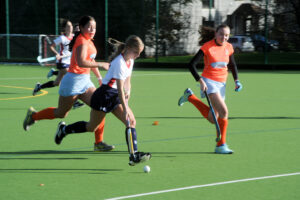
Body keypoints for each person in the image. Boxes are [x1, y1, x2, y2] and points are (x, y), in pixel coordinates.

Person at [54, 35, 151, 166]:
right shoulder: (119, 63)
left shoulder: (130, 61)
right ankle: (64, 130)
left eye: (139, 53)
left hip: (115, 96)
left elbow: (128, 83)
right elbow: (120, 88)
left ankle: (133, 155)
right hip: (104, 96)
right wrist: (125, 106)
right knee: (91, 127)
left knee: (131, 121)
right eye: (136, 52)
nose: (138, 55)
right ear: (128, 48)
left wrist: (129, 95)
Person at [23, 15, 114, 152]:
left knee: (100, 107)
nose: (92, 29)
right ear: (82, 28)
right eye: (89, 27)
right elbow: (81, 62)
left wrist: (99, 77)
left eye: (94, 27)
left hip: (85, 81)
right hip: (72, 82)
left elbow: (90, 62)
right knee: (61, 113)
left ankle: (98, 142)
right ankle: (33, 116)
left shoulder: (89, 41)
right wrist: (102, 64)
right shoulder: (82, 41)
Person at [178, 24, 243, 154]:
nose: (224, 37)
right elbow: (191, 64)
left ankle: (190, 97)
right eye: (221, 34)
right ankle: (221, 145)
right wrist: (200, 81)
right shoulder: (207, 47)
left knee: (213, 119)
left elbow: (232, 65)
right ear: (216, 34)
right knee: (224, 112)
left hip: (222, 84)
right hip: (209, 83)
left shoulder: (229, 47)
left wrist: (236, 80)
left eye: (226, 35)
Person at [32, 20, 84, 109]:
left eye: (71, 26)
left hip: (69, 62)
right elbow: (51, 46)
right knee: (72, 78)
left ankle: (39, 87)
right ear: (64, 28)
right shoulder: (62, 38)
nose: (70, 27)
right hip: (62, 62)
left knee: (57, 83)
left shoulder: (73, 37)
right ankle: (75, 103)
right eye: (68, 26)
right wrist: (57, 54)